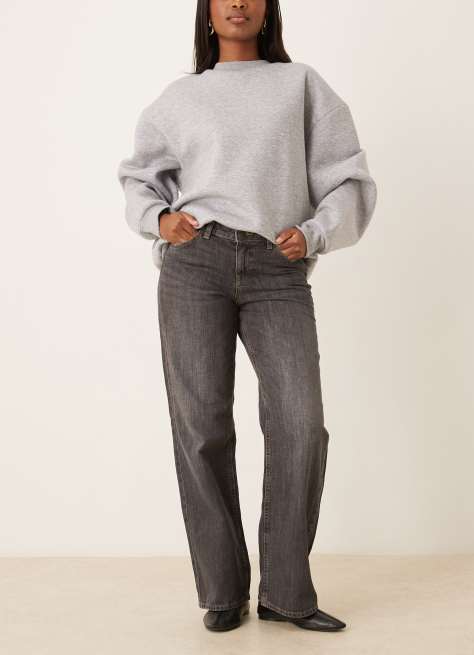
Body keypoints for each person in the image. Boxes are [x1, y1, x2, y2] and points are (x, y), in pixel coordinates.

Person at [117, 0, 377, 634]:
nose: (239, 2)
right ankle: (223, 591)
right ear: (207, 11)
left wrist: (314, 232)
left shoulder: (301, 85)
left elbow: (348, 177)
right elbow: (138, 177)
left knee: (301, 422)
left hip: (275, 267)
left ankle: (285, 592)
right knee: (201, 426)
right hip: (194, 266)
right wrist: (160, 219)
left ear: (270, 9)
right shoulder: (181, 98)